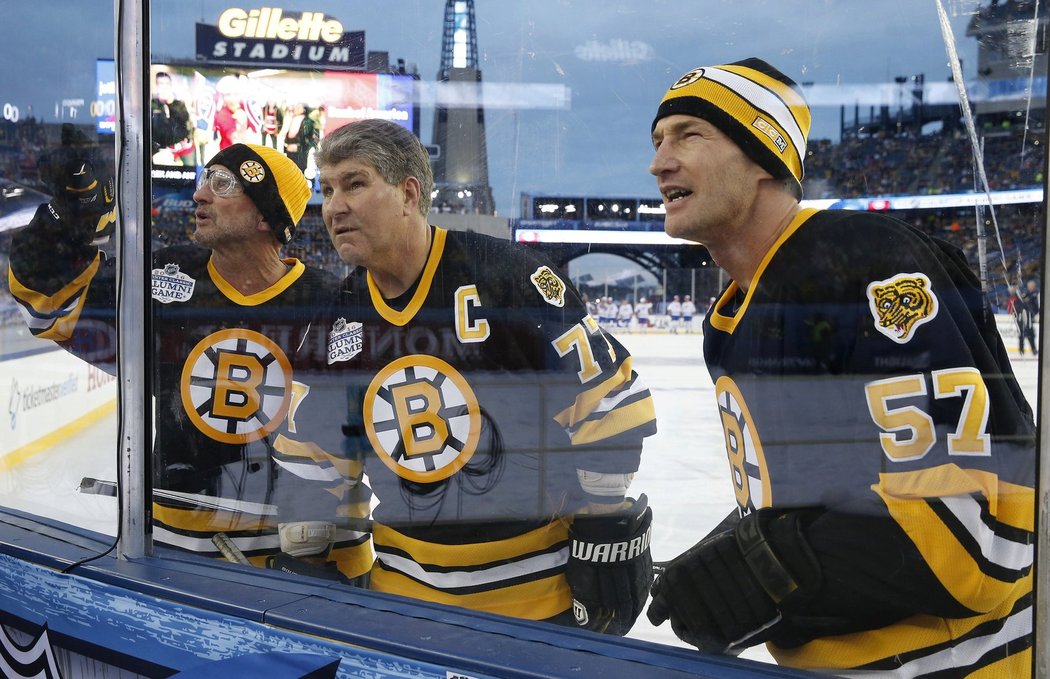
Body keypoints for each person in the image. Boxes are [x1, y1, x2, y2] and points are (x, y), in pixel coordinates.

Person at [645, 58, 1034, 676]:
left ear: (765, 153)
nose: (659, 162)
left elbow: (983, 534)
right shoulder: (734, 314)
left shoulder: (862, 263)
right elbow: (832, 487)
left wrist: (766, 572)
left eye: (690, 134)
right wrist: (736, 550)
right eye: (659, 140)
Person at [283, 118, 658, 635]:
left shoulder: (506, 276)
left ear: (409, 193)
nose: (333, 207)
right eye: (327, 190)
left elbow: (612, 402)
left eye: (354, 183)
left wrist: (601, 527)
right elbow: (313, 455)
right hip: (402, 603)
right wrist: (312, 554)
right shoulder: (336, 317)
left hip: (536, 604)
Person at [7, 136, 372, 582]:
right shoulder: (164, 278)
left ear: (265, 214)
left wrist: (330, 554)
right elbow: (47, 298)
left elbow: (356, 437)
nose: (199, 194)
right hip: (175, 548)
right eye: (204, 179)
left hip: (307, 557)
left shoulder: (336, 303)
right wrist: (69, 215)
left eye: (221, 183)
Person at [151, 71, 194, 166]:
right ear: (156, 85)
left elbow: (184, 120)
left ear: (170, 85)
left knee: (192, 168)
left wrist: (170, 103)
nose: (164, 87)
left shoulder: (179, 104)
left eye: (166, 84)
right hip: (161, 148)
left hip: (182, 146)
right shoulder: (152, 104)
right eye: (161, 84)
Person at [1018, 279, 1039, 355]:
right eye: (1028, 286)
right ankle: (1021, 349)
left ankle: (1033, 349)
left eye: (1030, 286)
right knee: (1022, 334)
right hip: (1024, 316)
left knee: (1031, 334)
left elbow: (1033, 303)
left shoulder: (1036, 294)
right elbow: (1022, 301)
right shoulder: (1026, 293)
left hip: (1030, 316)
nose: (1029, 288)